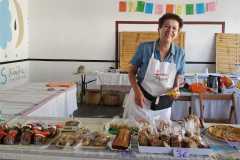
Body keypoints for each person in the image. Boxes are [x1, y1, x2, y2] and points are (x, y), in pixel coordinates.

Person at [123, 13, 185, 123]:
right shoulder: (145, 48)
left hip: (163, 104)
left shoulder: (180, 54)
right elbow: (131, 72)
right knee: (135, 133)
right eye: (166, 26)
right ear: (159, 29)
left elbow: (179, 75)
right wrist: (137, 92)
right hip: (141, 99)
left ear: (177, 33)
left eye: (174, 28)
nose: (170, 30)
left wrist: (176, 88)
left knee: (160, 137)